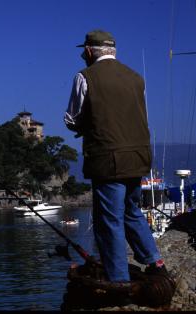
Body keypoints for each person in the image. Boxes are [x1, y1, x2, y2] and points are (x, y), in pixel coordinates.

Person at [64, 30, 168, 282]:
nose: (82, 54)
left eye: (84, 51)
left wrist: (83, 127)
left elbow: (71, 119)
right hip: (139, 156)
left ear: (89, 51)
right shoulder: (136, 78)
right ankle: (155, 261)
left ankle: (118, 278)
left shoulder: (85, 76)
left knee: (109, 220)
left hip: (108, 158)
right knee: (131, 210)